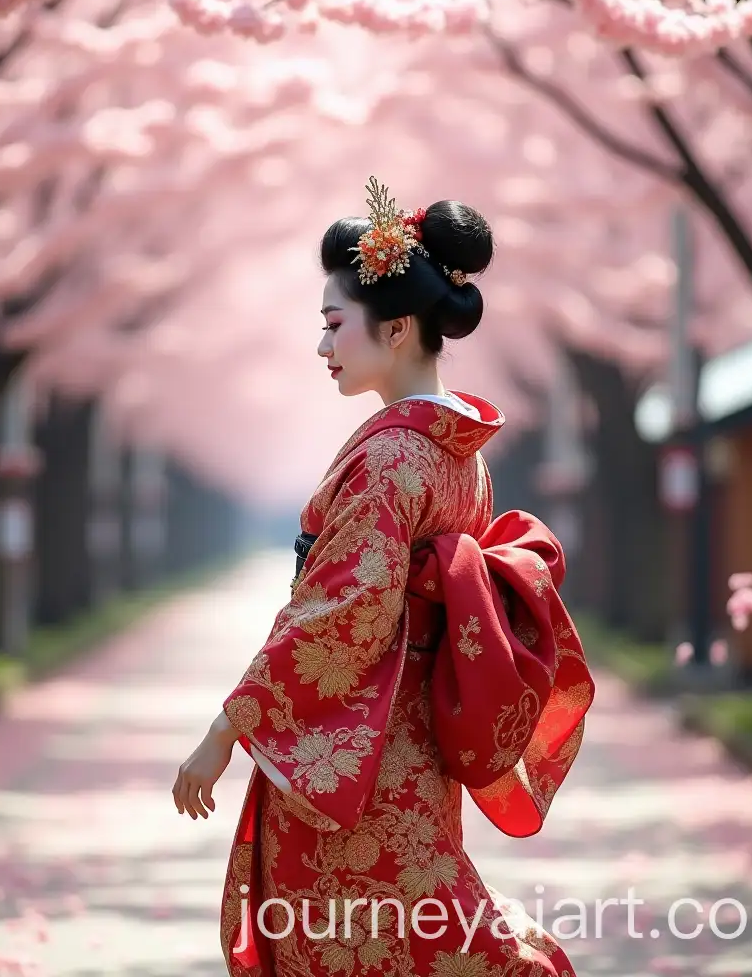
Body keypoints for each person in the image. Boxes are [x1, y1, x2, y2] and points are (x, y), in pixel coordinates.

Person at [172, 177, 595, 977]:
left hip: (361, 757)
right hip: (412, 749)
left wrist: (224, 731)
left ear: (397, 328)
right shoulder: (456, 454)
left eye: (335, 326)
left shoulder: (392, 457)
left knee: (356, 942)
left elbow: (341, 613)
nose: (324, 347)